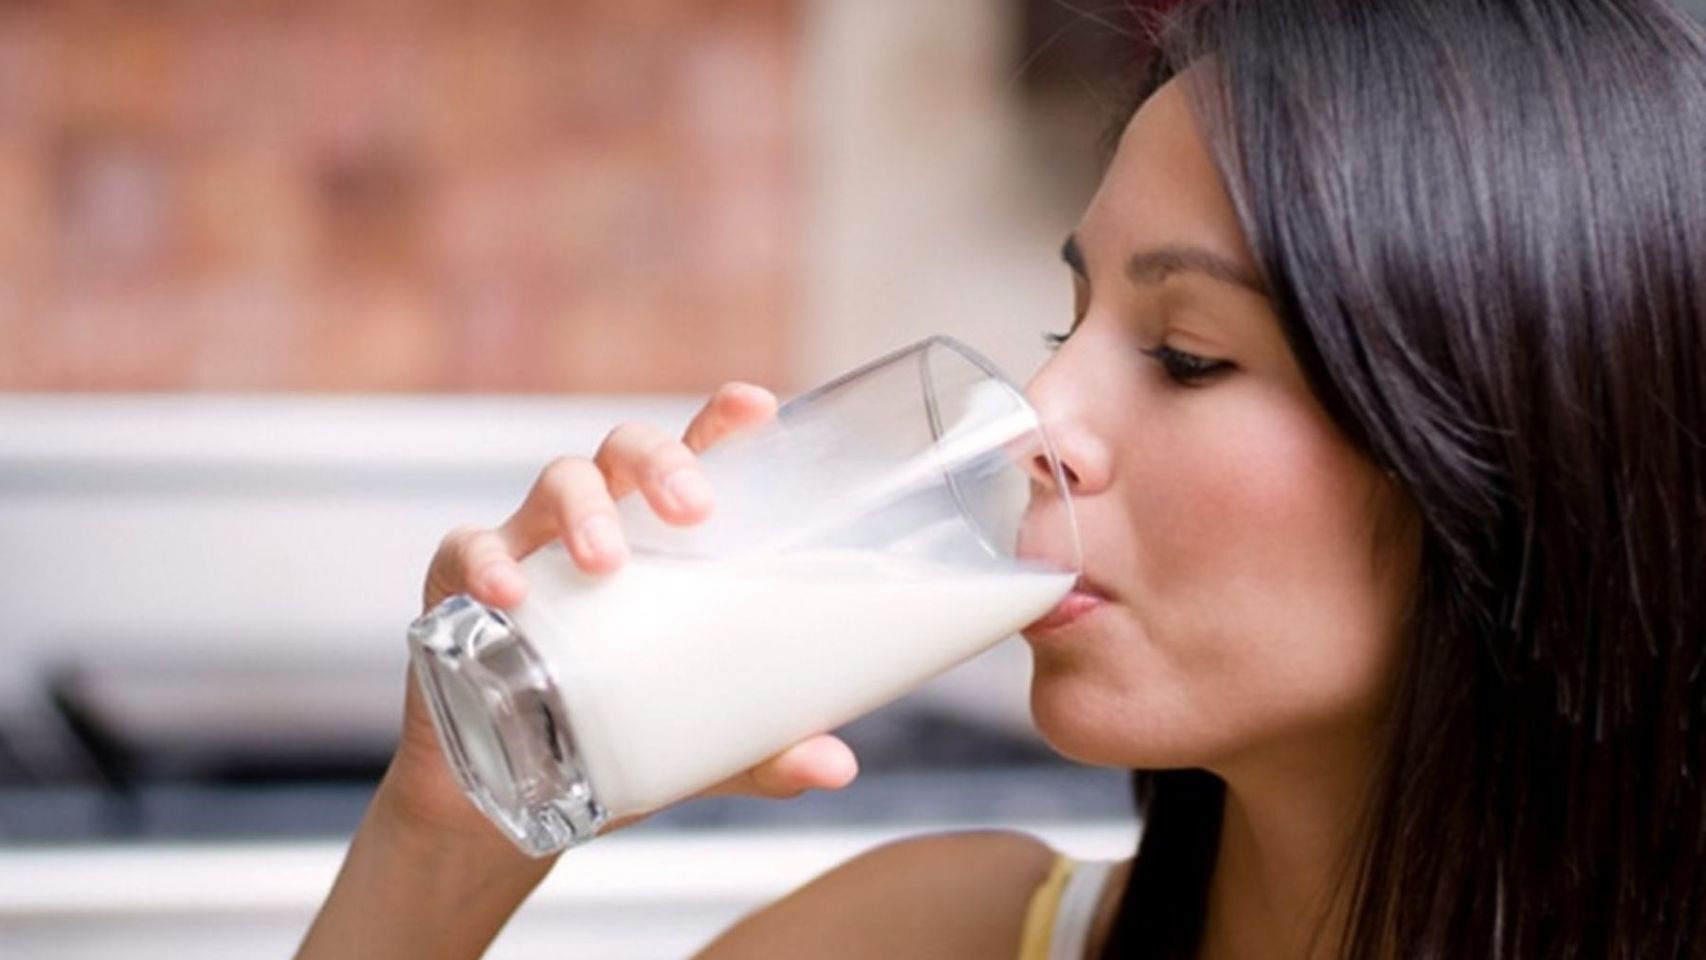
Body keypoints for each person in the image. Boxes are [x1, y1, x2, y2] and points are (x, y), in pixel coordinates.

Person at [297, 0, 1706, 956]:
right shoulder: (931, 937)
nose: (1035, 414)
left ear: (1518, 459)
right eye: (1068, 321)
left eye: (1189, 355)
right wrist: (447, 840)